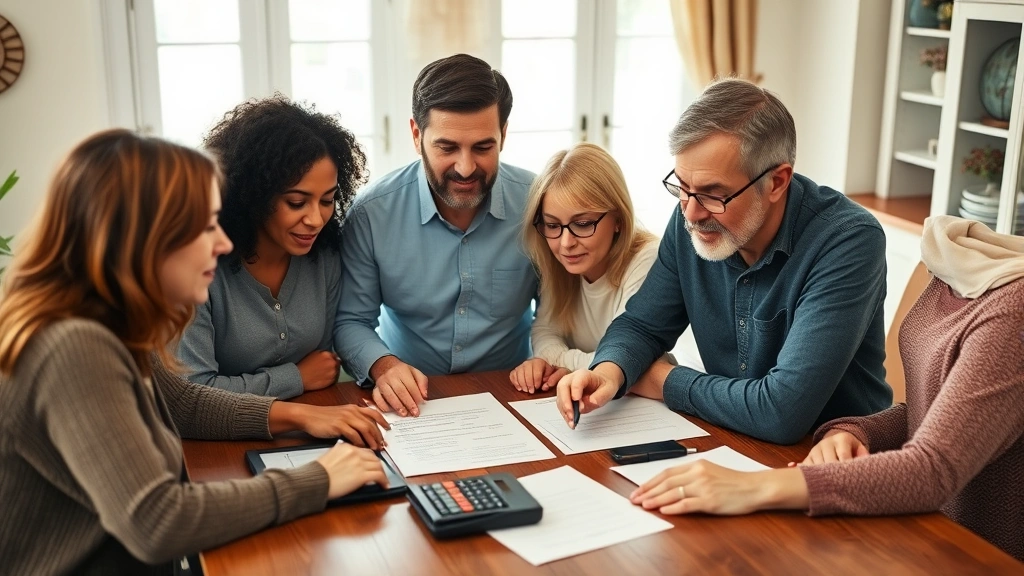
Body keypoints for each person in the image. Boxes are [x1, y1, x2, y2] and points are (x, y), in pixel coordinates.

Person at [0, 130, 390, 575]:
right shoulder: (74, 346)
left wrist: (301, 416)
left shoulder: (108, 322)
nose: (223, 243)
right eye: (206, 227)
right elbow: (157, 521)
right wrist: (317, 480)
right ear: (145, 235)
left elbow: (182, 404)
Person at [627, 215, 1024, 562]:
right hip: (924, 531)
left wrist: (751, 486)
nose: (694, 211)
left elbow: (932, 470)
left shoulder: (1012, 313)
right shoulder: (958, 265)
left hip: (980, 554)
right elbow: (936, 408)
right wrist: (858, 430)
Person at [556, 78, 893, 444]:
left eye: (714, 195)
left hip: (834, 461)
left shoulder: (848, 241)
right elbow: (642, 325)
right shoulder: (691, 218)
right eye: (682, 187)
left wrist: (662, 380)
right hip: (733, 440)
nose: (693, 213)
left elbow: (781, 412)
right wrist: (609, 372)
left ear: (777, 181)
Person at [335, 53, 538, 417]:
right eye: (447, 147)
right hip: (415, 404)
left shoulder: (538, 203)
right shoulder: (372, 214)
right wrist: (384, 367)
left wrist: (547, 358)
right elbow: (350, 320)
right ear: (416, 135)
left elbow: (560, 311)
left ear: (503, 135)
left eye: (483, 147)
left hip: (513, 396)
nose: (465, 167)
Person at [178, 96, 367, 399]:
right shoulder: (196, 267)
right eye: (296, 202)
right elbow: (194, 394)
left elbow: (324, 366)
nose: (316, 219)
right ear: (253, 196)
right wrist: (295, 378)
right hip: (214, 440)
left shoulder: (325, 257)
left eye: (327, 200)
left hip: (308, 423)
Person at [509, 142, 669, 394]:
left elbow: (626, 357)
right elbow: (545, 329)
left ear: (617, 218)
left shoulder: (648, 258)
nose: (565, 243)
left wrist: (560, 363)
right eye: (552, 225)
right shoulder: (556, 259)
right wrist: (563, 365)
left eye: (582, 224)